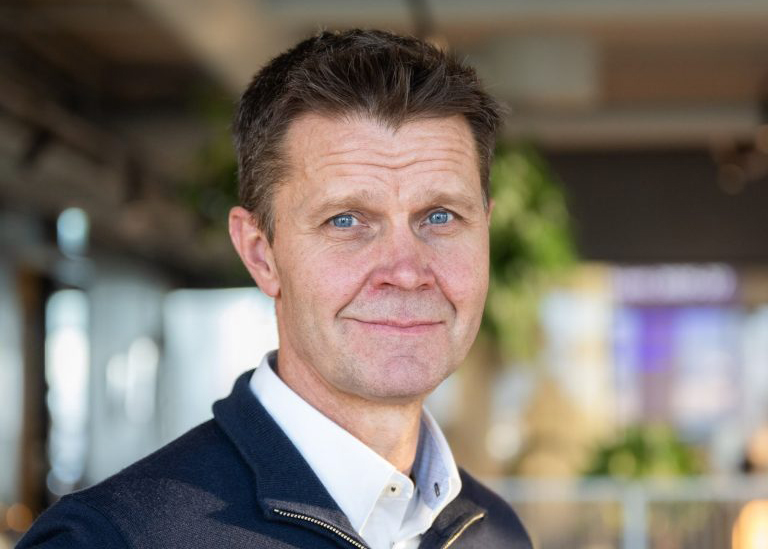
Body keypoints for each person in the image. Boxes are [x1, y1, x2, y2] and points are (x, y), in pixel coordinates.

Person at [19, 29, 532, 548]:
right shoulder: (107, 539)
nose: (405, 270)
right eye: (346, 220)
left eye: (441, 216)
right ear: (261, 254)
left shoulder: (496, 533)